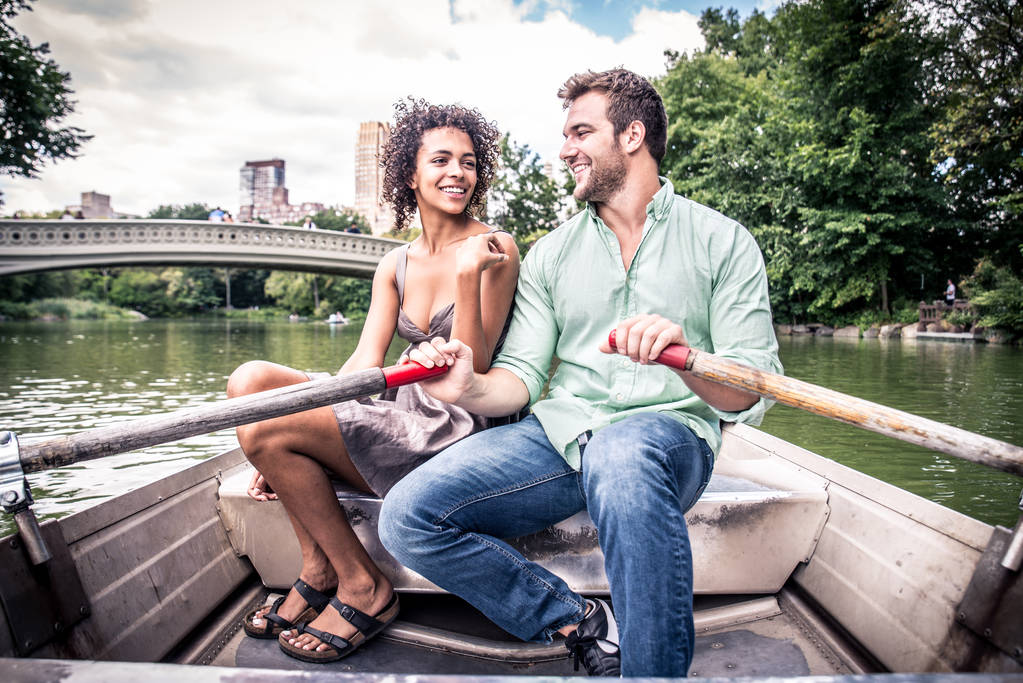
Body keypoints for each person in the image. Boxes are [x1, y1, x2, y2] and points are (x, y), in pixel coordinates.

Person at [379, 69, 781, 678]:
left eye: (580, 132)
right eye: (564, 135)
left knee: (622, 451)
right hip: (561, 436)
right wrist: (465, 383)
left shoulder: (722, 242)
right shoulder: (550, 254)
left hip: (669, 436)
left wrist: (689, 357)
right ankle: (566, 614)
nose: (564, 150)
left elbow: (748, 389)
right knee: (406, 517)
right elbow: (517, 376)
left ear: (632, 135)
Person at [228, 99, 519, 664]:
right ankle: (318, 567)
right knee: (251, 382)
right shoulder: (396, 262)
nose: (457, 173)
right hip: (399, 399)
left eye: (468, 161)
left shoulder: (493, 249)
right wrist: (276, 436)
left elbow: (473, 368)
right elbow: (364, 362)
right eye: (440, 160)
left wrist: (466, 277)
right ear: (410, 173)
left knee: (271, 427)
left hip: (456, 418)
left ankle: (363, 585)